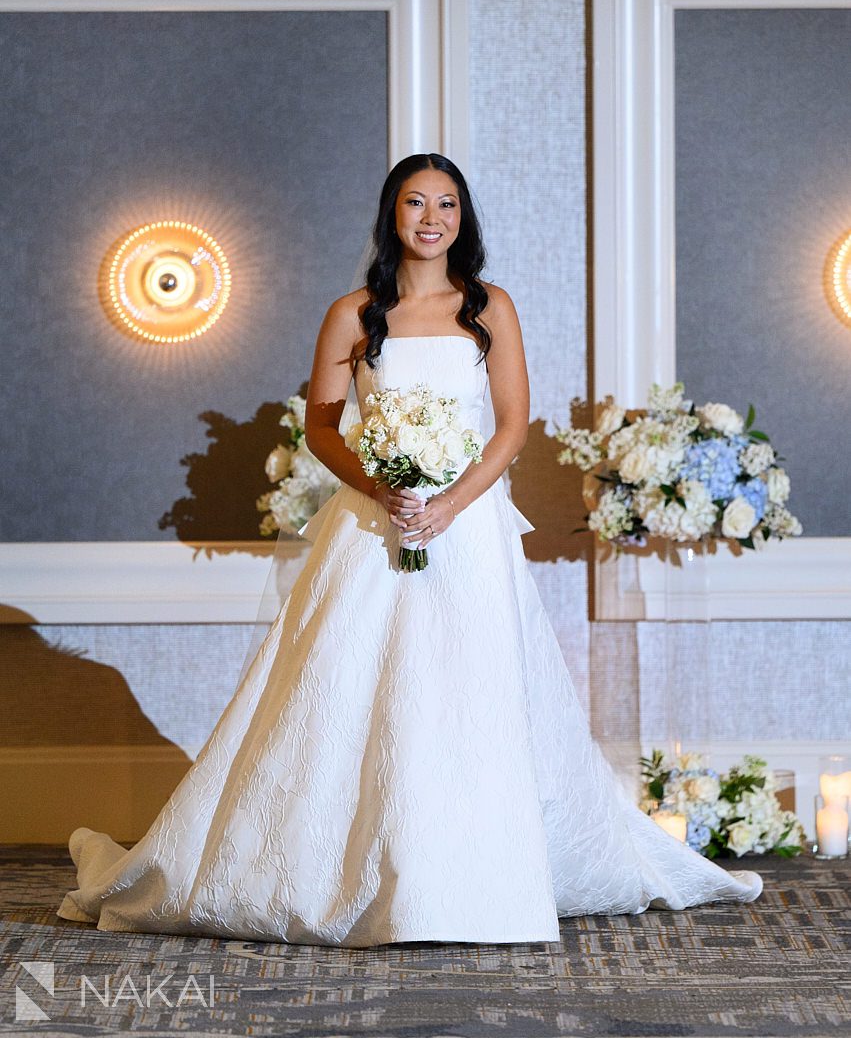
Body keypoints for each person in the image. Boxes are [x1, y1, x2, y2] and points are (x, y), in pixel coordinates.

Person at [56, 153, 763, 948]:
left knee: (469, 692)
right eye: (415, 203)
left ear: (463, 219)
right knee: (348, 689)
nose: (431, 218)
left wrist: (450, 506)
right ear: (391, 216)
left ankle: (470, 878)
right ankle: (355, 875)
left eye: (447, 205)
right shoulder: (354, 314)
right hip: (371, 528)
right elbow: (322, 426)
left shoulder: (490, 307)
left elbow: (511, 426)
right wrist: (382, 487)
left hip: (469, 533)